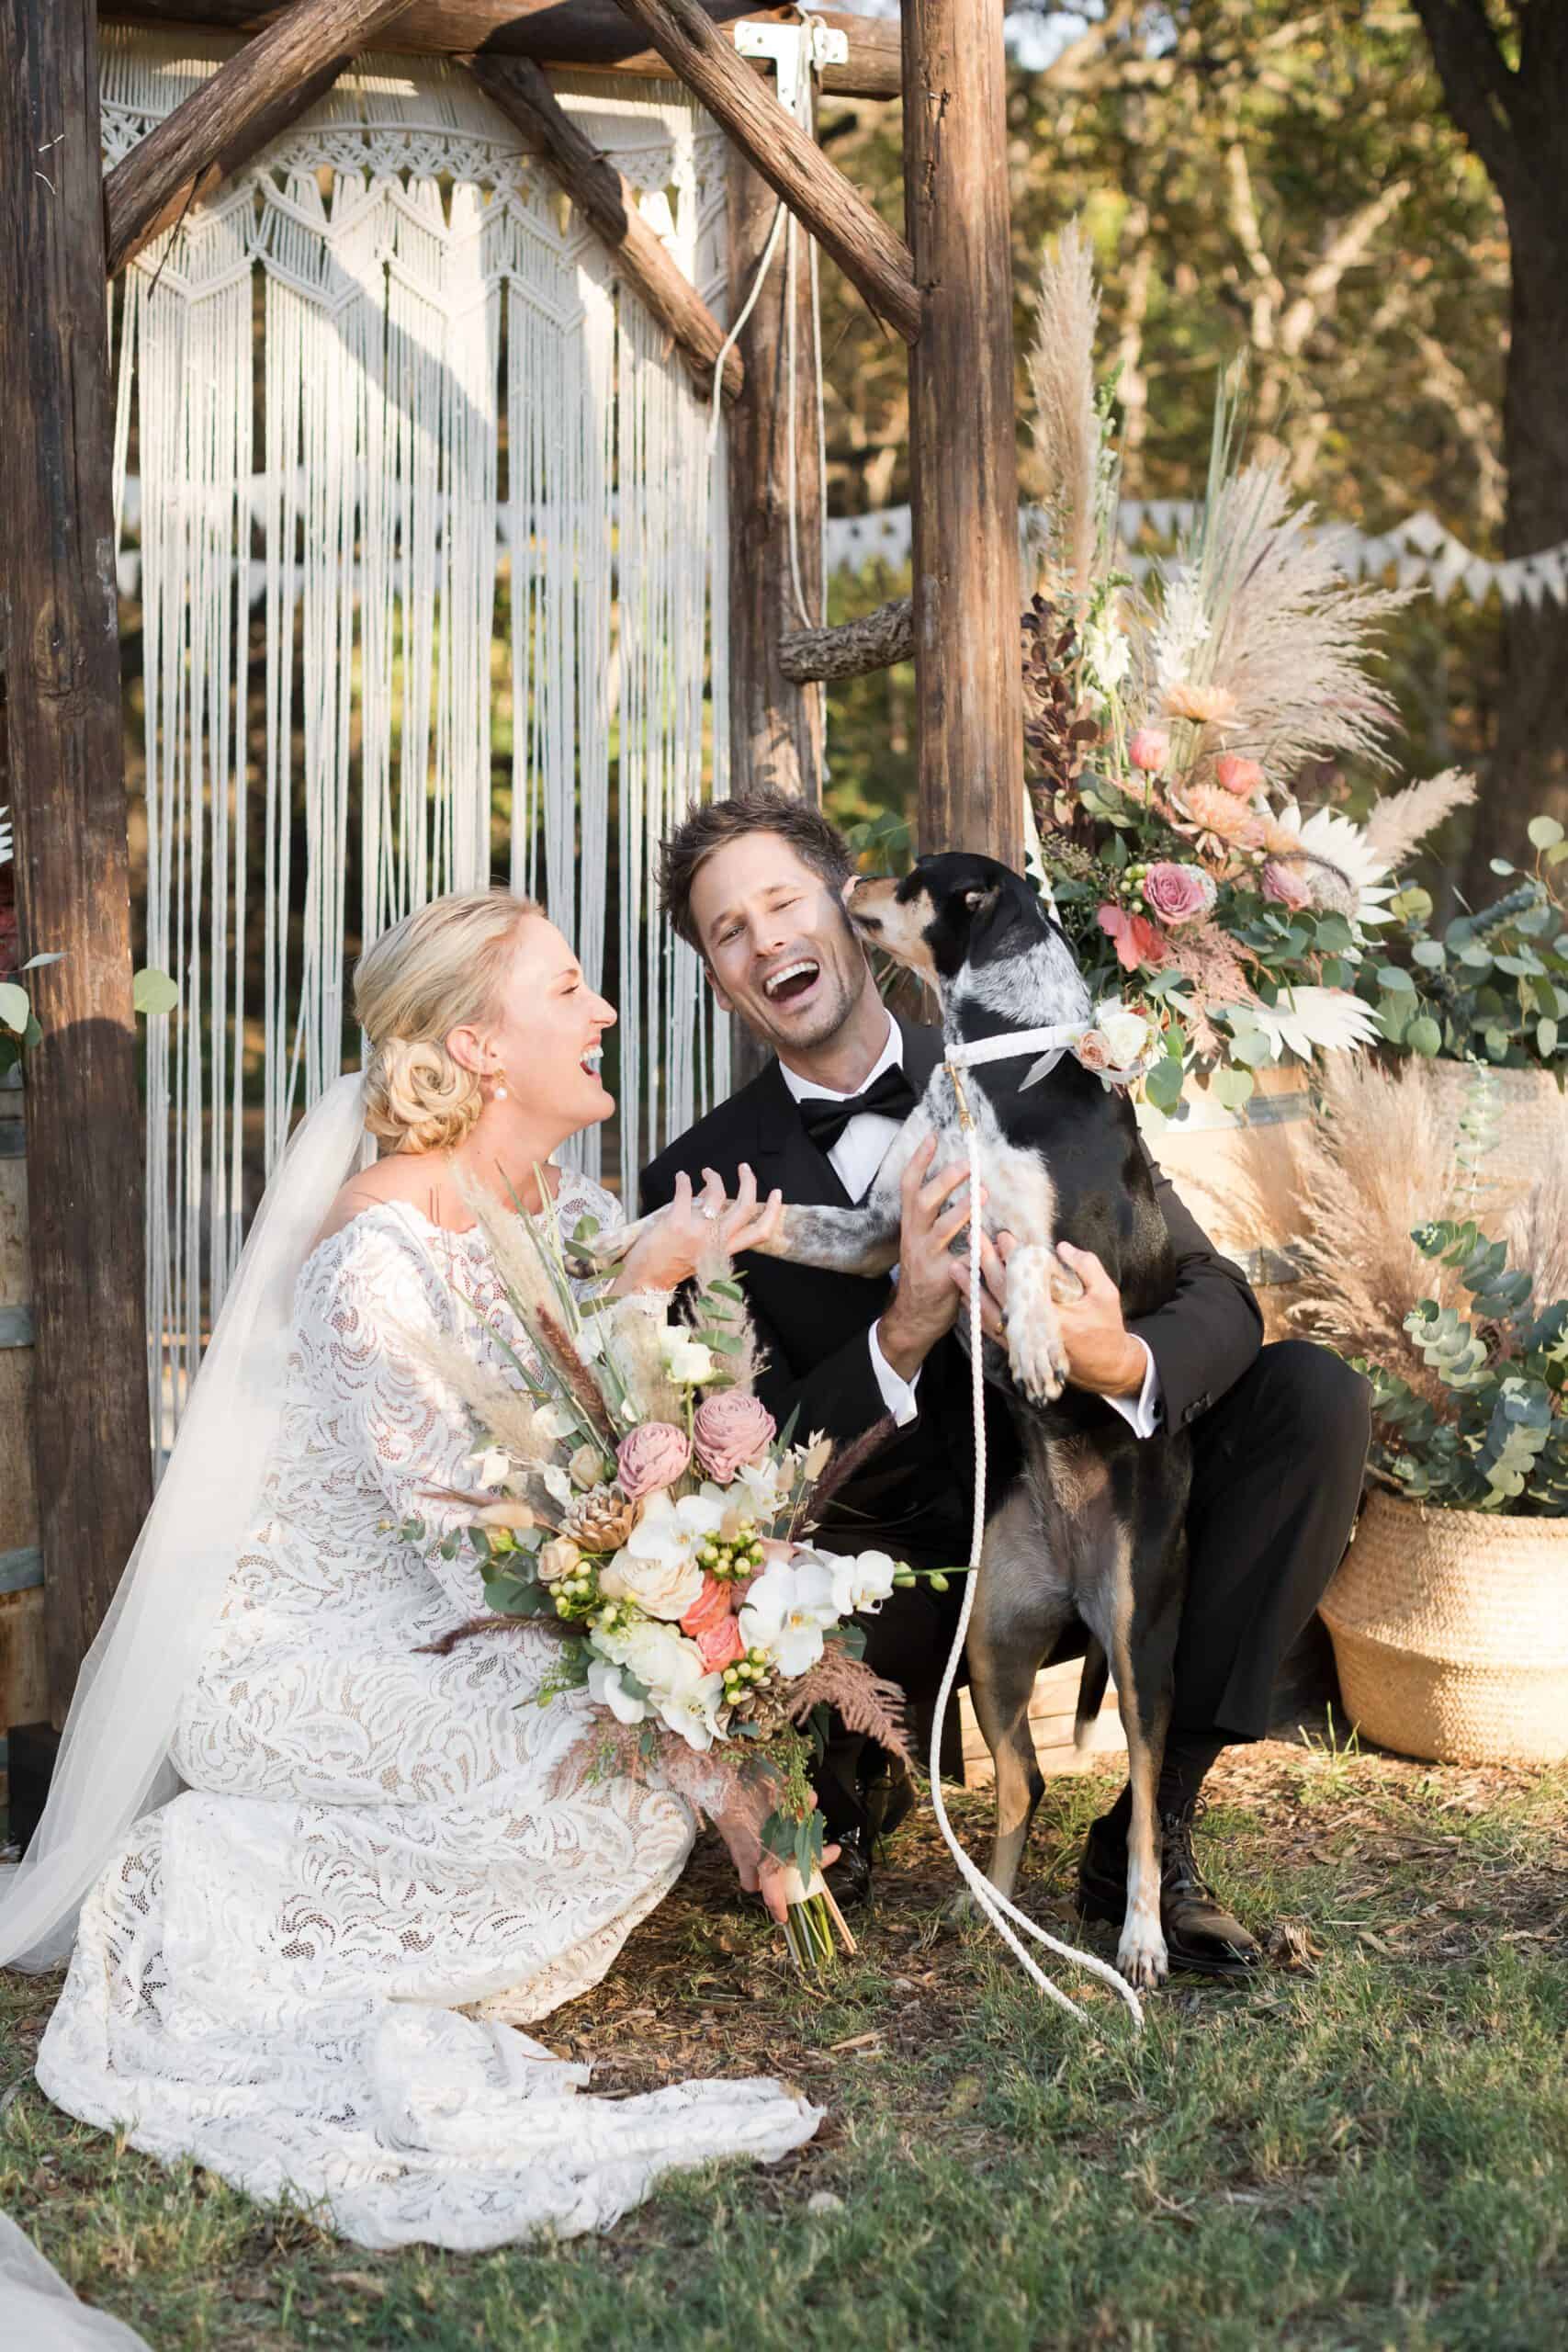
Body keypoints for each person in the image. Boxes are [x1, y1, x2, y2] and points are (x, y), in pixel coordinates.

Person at [0, 888, 820, 2254]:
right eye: (568, 992)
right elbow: (475, 1556)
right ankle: (213, 1873)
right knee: (619, 1787)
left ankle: (308, 1880)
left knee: (623, 1779)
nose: (605, 1012)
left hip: (469, 1637)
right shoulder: (374, 1257)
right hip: (299, 1664)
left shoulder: (569, 1209)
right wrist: (704, 1753)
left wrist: (646, 1285)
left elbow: (617, 1465)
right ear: (481, 1047)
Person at [642, 791, 1371, 1975]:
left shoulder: (1043, 1064)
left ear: (846, 907)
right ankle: (846, 1798)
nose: (765, 939)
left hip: (1100, 1487)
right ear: (720, 976)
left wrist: (1120, 1357)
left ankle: (1154, 1822)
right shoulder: (698, 1183)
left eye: (783, 902)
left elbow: (1212, 1291)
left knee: (1312, 1400)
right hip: (897, 1564)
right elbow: (742, 1455)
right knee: (808, 1688)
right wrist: (905, 1326)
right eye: (729, 931)